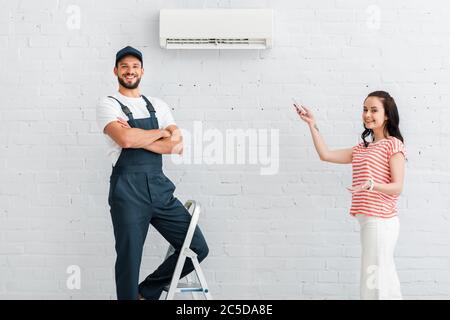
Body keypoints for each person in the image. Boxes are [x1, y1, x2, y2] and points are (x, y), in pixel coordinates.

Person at [96, 46, 209, 300]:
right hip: (128, 191)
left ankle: (146, 293)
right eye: (124, 66)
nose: (130, 71)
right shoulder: (108, 104)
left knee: (196, 247)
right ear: (116, 71)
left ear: (142, 71)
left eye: (135, 66)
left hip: (159, 190)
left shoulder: (157, 105)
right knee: (129, 259)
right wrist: (160, 132)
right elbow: (124, 140)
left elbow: (177, 145)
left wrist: (139, 136)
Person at [295, 91, 405, 300]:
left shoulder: (393, 145)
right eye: (365, 109)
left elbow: (397, 187)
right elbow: (325, 155)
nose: (367, 114)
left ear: (387, 115)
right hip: (369, 221)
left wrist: (372, 185)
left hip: (381, 221)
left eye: (374, 110)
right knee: (382, 277)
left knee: (374, 280)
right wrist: (312, 124)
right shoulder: (361, 149)